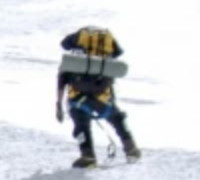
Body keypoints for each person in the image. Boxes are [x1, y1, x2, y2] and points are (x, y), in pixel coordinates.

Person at [55, 25, 141, 168]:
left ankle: (87, 155)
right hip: (102, 91)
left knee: (80, 122)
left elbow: (64, 44)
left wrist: (58, 104)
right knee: (116, 117)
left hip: (78, 91)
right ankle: (131, 148)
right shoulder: (108, 35)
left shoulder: (80, 34)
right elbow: (118, 52)